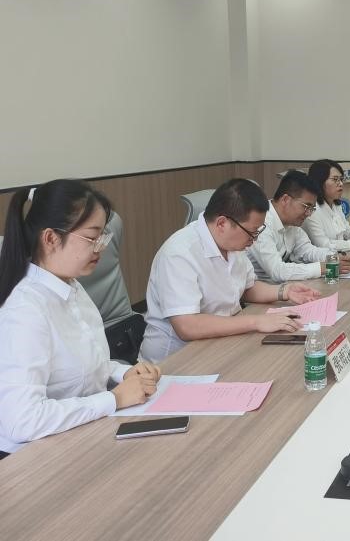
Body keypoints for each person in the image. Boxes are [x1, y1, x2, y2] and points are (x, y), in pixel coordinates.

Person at [0, 180, 161, 456]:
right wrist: (114, 399)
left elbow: (80, 366)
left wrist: (123, 372)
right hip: (29, 457)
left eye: (103, 237)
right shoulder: (24, 310)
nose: (100, 248)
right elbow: (23, 421)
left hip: (77, 435)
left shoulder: (71, 286)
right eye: (91, 238)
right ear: (51, 239)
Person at [139, 178, 321, 363]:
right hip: (175, 361)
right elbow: (187, 326)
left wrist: (285, 291)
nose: (254, 239)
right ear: (221, 223)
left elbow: (248, 287)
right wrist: (256, 321)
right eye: (252, 232)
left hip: (221, 343)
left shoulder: (232, 244)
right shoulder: (179, 253)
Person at [247, 170, 350, 282]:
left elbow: (308, 251)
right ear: (286, 200)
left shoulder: (292, 223)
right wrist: (324, 267)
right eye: (306, 207)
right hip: (260, 289)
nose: (309, 214)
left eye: (312, 209)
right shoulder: (261, 222)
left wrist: (334, 257)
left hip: (282, 286)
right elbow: (278, 270)